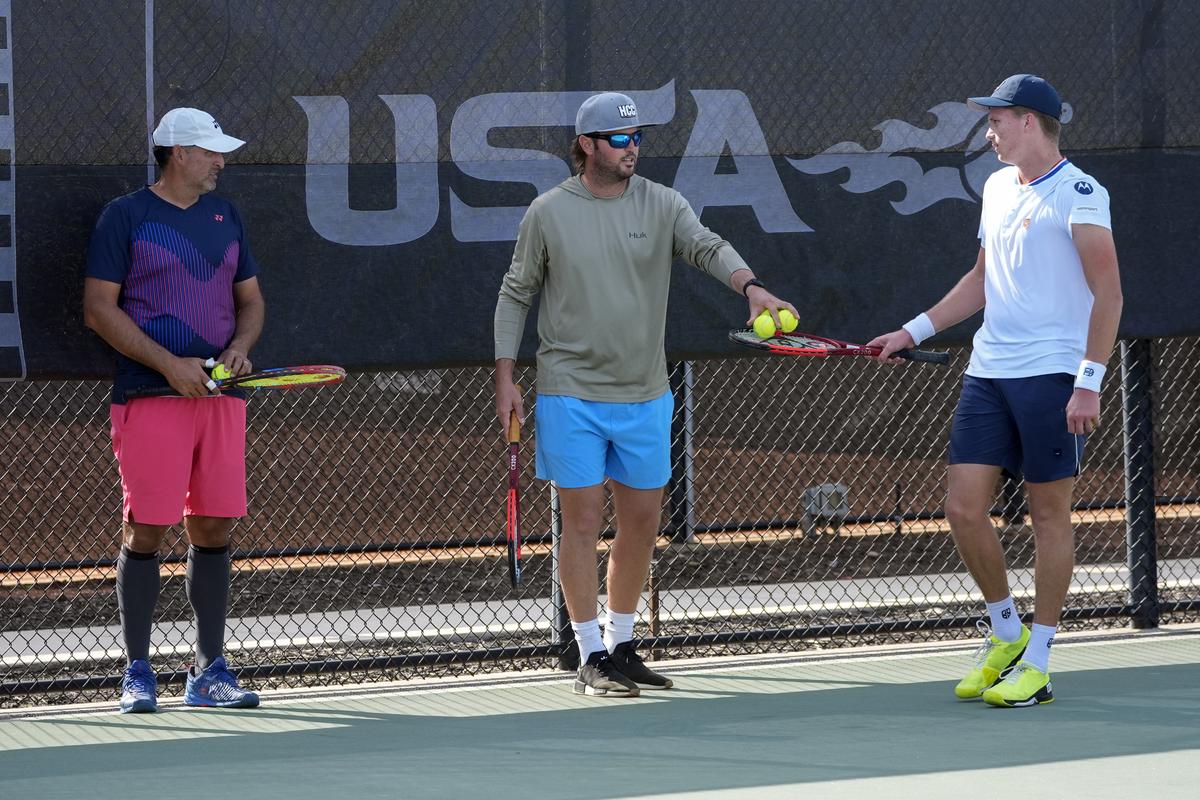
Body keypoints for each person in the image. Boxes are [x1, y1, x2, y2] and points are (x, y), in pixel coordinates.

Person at [494, 92, 797, 696]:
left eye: (638, 139)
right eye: (620, 139)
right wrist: (505, 378)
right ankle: (587, 653)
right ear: (586, 145)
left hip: (645, 394)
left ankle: (622, 643)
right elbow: (515, 292)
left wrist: (752, 288)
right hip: (570, 391)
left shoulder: (663, 203)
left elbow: (707, 246)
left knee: (640, 523)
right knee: (580, 523)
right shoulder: (549, 212)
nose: (633, 148)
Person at [867, 74, 1122, 707]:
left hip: (1053, 377)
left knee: (1046, 515)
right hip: (988, 373)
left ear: (1031, 122)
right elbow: (982, 278)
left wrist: (1088, 381)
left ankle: (1038, 658)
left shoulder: (1081, 194)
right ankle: (1005, 630)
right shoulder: (996, 186)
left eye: (998, 120)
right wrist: (912, 329)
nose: (989, 131)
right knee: (962, 508)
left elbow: (1109, 294)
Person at [83, 107, 266, 712]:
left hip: (219, 401)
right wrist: (169, 366)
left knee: (213, 525)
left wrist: (238, 349)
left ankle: (209, 670)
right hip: (149, 396)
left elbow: (251, 303)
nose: (222, 161)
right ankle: (137, 671)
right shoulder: (125, 216)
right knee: (147, 529)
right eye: (212, 151)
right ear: (178, 154)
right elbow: (99, 311)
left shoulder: (226, 215)